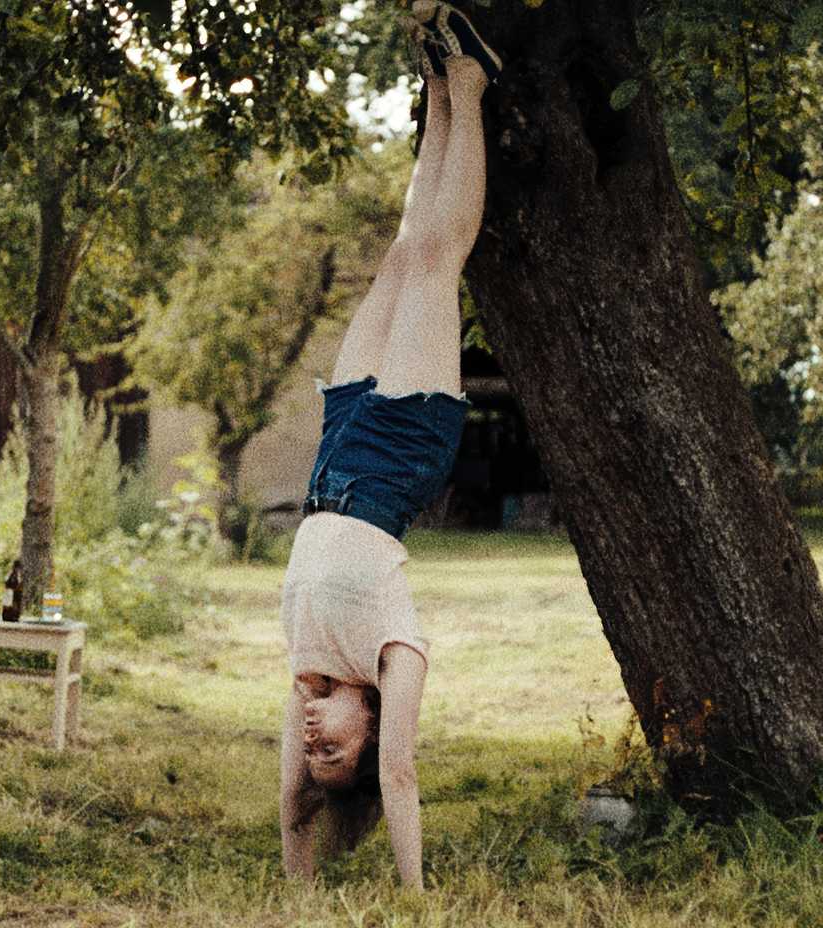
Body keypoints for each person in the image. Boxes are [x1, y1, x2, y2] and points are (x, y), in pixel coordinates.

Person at [279, 2, 501, 889]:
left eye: (314, 754)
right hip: (401, 452)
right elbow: (399, 778)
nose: (313, 743)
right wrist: (412, 896)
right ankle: (473, 91)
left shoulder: (306, 668)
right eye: (336, 754)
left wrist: (299, 889)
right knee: (440, 259)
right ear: (370, 732)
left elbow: (295, 812)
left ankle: (438, 85)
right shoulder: (391, 656)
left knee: (406, 249)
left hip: (336, 456)